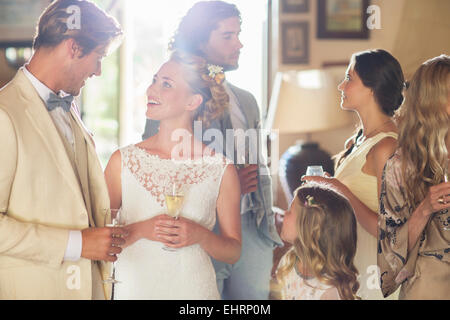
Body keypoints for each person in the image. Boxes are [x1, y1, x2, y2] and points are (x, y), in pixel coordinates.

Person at [142, 1, 282, 300]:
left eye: (239, 34)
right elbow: (154, 169)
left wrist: (268, 228)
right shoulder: (174, 98)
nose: (239, 43)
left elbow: (260, 170)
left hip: (252, 230)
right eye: (228, 36)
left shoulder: (247, 101)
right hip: (201, 228)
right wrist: (225, 187)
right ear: (201, 41)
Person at [0, 0, 124, 300]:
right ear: (73, 47)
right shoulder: (5, 114)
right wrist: (77, 244)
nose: (98, 71)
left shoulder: (69, 110)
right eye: (99, 57)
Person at [104, 50, 241, 299]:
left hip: (194, 291)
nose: (151, 90)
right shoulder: (121, 161)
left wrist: (200, 235)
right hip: (135, 289)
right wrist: (142, 229)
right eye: (155, 80)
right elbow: (99, 238)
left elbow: (233, 250)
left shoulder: (221, 169)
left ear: (192, 102)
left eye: (166, 84)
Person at [303, 49, 405, 299]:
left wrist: (339, 189)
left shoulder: (386, 147)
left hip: (374, 270)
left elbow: (391, 231)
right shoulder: (356, 142)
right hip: (349, 265)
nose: (341, 85)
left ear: (372, 88)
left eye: (349, 78)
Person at [378, 55, 450, 300]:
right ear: (433, 101)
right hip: (430, 286)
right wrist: (425, 208)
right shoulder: (401, 166)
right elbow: (387, 261)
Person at [275, 182, 359, 300]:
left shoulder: (327, 291)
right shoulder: (288, 261)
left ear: (310, 228)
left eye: (290, 210)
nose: (285, 213)